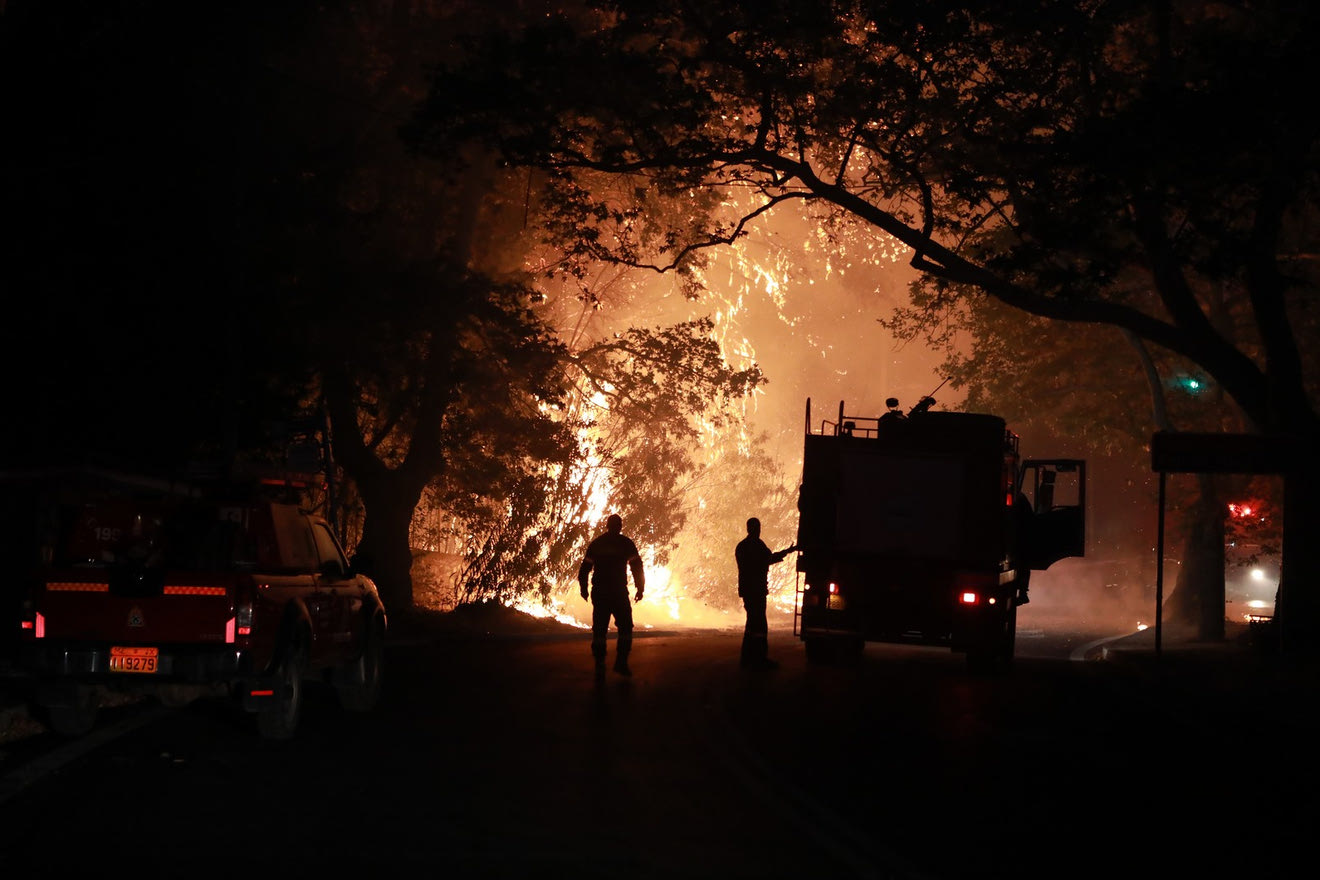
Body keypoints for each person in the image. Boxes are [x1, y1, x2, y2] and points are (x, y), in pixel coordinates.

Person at [578, 513, 645, 677]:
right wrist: (640, 588)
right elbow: (637, 567)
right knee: (625, 627)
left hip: (600, 592)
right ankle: (621, 662)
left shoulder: (598, 543)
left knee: (600, 629)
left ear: (607, 526)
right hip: (618, 592)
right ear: (620, 526)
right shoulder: (625, 543)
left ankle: (600, 662)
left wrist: (584, 589)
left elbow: (584, 569)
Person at [735, 517, 796, 668]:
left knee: (751, 625)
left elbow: (763, 560)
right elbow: (768, 559)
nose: (758, 530)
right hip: (757, 591)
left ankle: (747, 658)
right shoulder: (757, 545)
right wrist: (787, 552)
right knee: (760, 626)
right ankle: (759, 659)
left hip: (748, 591)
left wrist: (786, 552)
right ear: (755, 529)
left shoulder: (741, 546)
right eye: (758, 528)